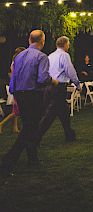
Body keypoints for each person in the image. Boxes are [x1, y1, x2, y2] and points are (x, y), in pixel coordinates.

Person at [1, 30, 56, 176]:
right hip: (33, 94)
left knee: (28, 126)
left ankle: (32, 158)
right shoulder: (41, 56)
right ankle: (9, 159)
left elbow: (14, 76)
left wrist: (13, 91)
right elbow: (43, 79)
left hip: (19, 94)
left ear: (29, 39)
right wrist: (53, 81)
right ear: (42, 41)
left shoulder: (19, 56)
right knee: (30, 128)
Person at [37, 36, 81, 143]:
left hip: (49, 86)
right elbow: (70, 71)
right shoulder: (64, 55)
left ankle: (69, 134)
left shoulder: (50, 56)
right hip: (59, 87)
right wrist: (77, 84)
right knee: (51, 114)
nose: (69, 46)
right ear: (65, 44)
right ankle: (36, 136)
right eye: (68, 44)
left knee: (63, 112)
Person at [0, 48, 25, 135]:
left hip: (15, 87)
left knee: (16, 110)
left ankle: (15, 128)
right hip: (17, 88)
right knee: (16, 111)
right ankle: (1, 124)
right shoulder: (17, 63)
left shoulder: (14, 63)